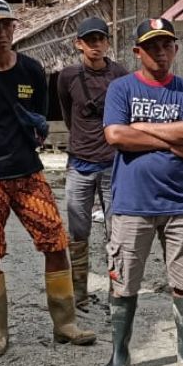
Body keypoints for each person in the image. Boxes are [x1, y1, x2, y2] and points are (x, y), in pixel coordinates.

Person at [0, 0, 95, 356]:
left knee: (55, 242)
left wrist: (37, 131)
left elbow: (40, 118)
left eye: (6, 25)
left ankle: (65, 324)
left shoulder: (31, 70)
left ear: (15, 27)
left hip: (29, 174)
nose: (1, 33)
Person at [100, 17, 183, 366]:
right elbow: (115, 135)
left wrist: (140, 128)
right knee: (124, 280)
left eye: (167, 45)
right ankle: (119, 354)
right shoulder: (121, 88)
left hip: (179, 204)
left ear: (175, 48)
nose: (161, 52)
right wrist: (168, 141)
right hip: (132, 203)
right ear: (137, 52)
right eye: (152, 46)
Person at [55, 16, 128, 310]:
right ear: (79, 44)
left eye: (101, 39)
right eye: (89, 41)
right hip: (80, 164)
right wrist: (83, 141)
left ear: (108, 42)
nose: (96, 45)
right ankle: (80, 294)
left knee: (118, 231)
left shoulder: (120, 75)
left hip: (113, 163)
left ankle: (118, 291)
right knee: (78, 231)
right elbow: (66, 112)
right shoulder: (67, 77)